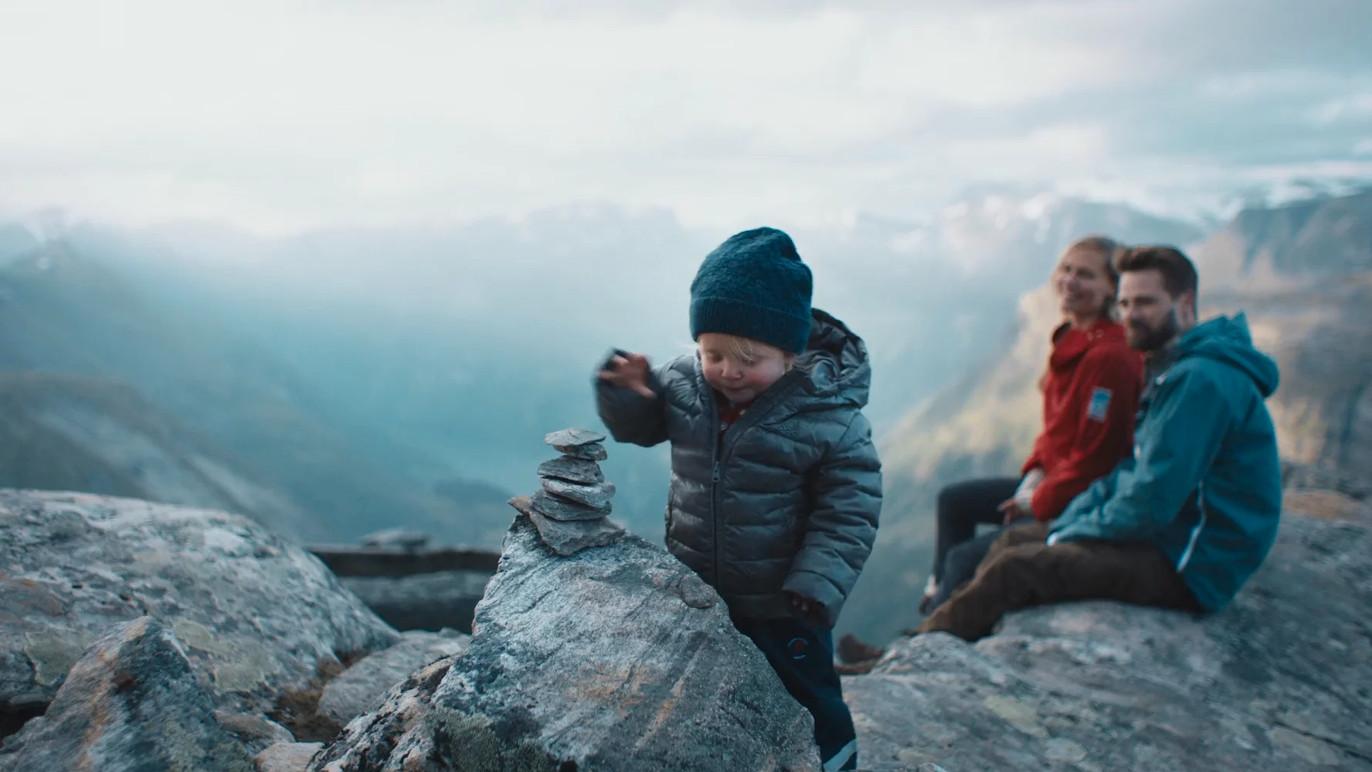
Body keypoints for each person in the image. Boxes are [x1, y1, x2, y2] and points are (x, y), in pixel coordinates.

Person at [596, 227, 880, 772]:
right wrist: (629, 394)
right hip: (699, 583)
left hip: (785, 600)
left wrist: (817, 581)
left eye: (749, 357)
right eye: (713, 353)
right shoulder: (685, 383)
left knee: (809, 693)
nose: (728, 370)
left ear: (790, 353)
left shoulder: (828, 415)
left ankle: (836, 761)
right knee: (706, 684)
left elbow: (851, 510)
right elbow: (643, 426)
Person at [916, 245, 1282, 641]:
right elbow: (1133, 466)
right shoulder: (1176, 368)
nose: (1130, 315)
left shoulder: (1199, 382)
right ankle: (929, 638)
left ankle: (922, 652)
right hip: (1169, 536)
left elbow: (1151, 499)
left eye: (1145, 302)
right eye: (1125, 303)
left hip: (1190, 564)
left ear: (1185, 303)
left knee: (1016, 569)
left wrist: (1075, 529)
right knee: (1013, 539)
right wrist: (1074, 521)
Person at [919, 236, 1144, 613]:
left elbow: (1097, 459)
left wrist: (1036, 501)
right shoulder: (1072, 337)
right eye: (1066, 269)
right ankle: (936, 599)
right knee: (953, 502)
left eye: (1085, 275)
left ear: (1112, 288)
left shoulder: (1110, 358)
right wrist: (1035, 474)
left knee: (964, 558)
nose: (1070, 281)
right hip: (1053, 484)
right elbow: (1055, 429)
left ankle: (929, 637)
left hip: (1079, 500)